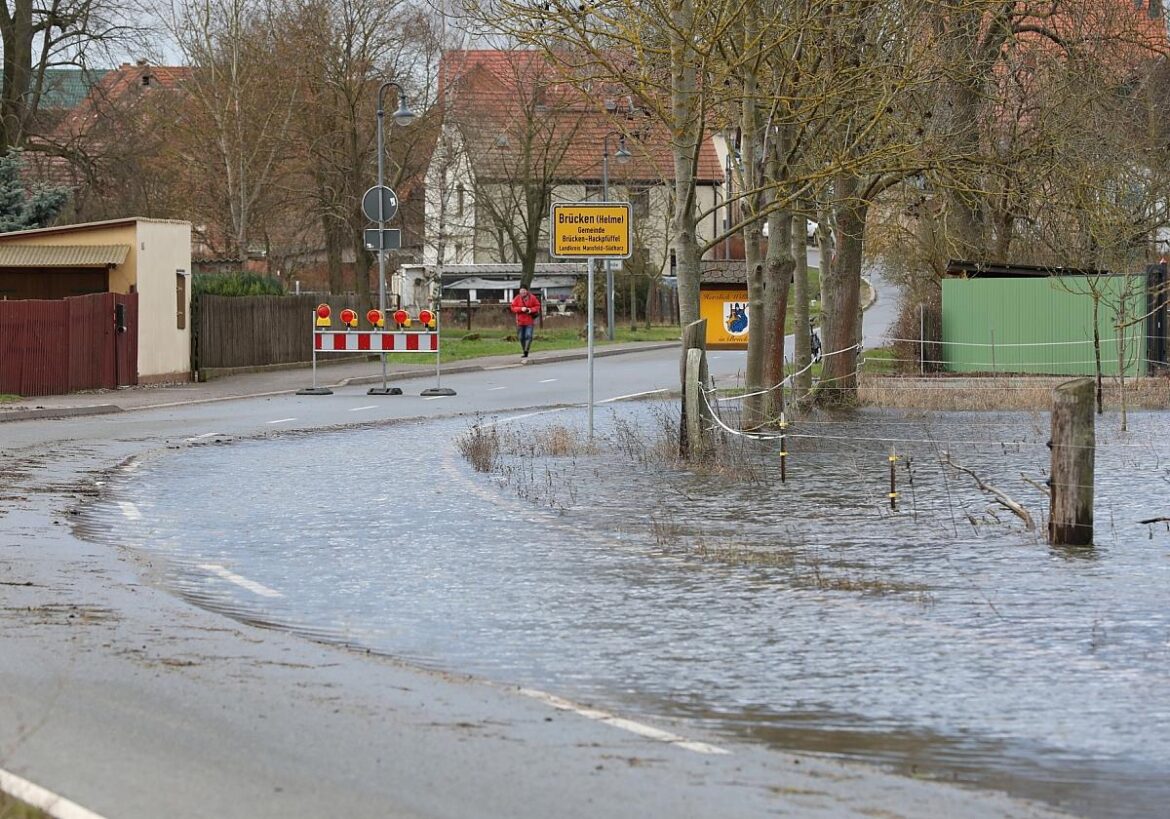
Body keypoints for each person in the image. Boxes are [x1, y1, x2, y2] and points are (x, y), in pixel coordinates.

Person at [510, 286, 541, 363]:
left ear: (527, 291)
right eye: (521, 291)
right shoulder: (517, 298)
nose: (522, 292)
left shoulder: (532, 298)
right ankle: (524, 349)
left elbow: (537, 306)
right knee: (521, 337)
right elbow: (513, 307)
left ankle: (526, 351)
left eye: (524, 291)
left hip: (529, 321)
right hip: (520, 321)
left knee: (528, 336)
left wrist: (530, 310)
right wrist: (521, 309)